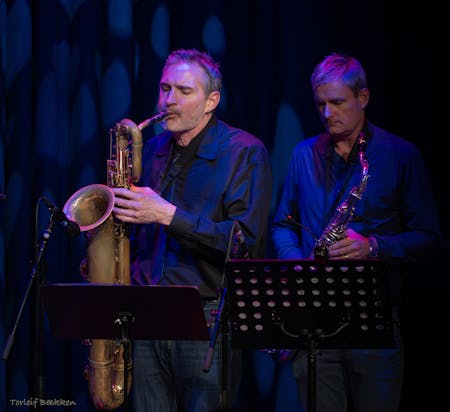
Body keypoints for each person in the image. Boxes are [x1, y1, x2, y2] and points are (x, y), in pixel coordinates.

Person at [271, 52, 442, 412]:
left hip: (373, 321)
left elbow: (429, 238)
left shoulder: (401, 155)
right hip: (314, 321)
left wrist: (374, 247)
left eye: (337, 102)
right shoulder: (304, 154)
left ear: (362, 97)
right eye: (320, 104)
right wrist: (298, 266)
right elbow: (282, 225)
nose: (327, 114)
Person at [112, 48, 272, 412]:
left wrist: (169, 216)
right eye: (165, 88)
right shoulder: (151, 150)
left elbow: (244, 244)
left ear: (211, 101)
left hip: (206, 319)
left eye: (184, 91)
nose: (169, 100)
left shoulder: (244, 152)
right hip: (146, 315)